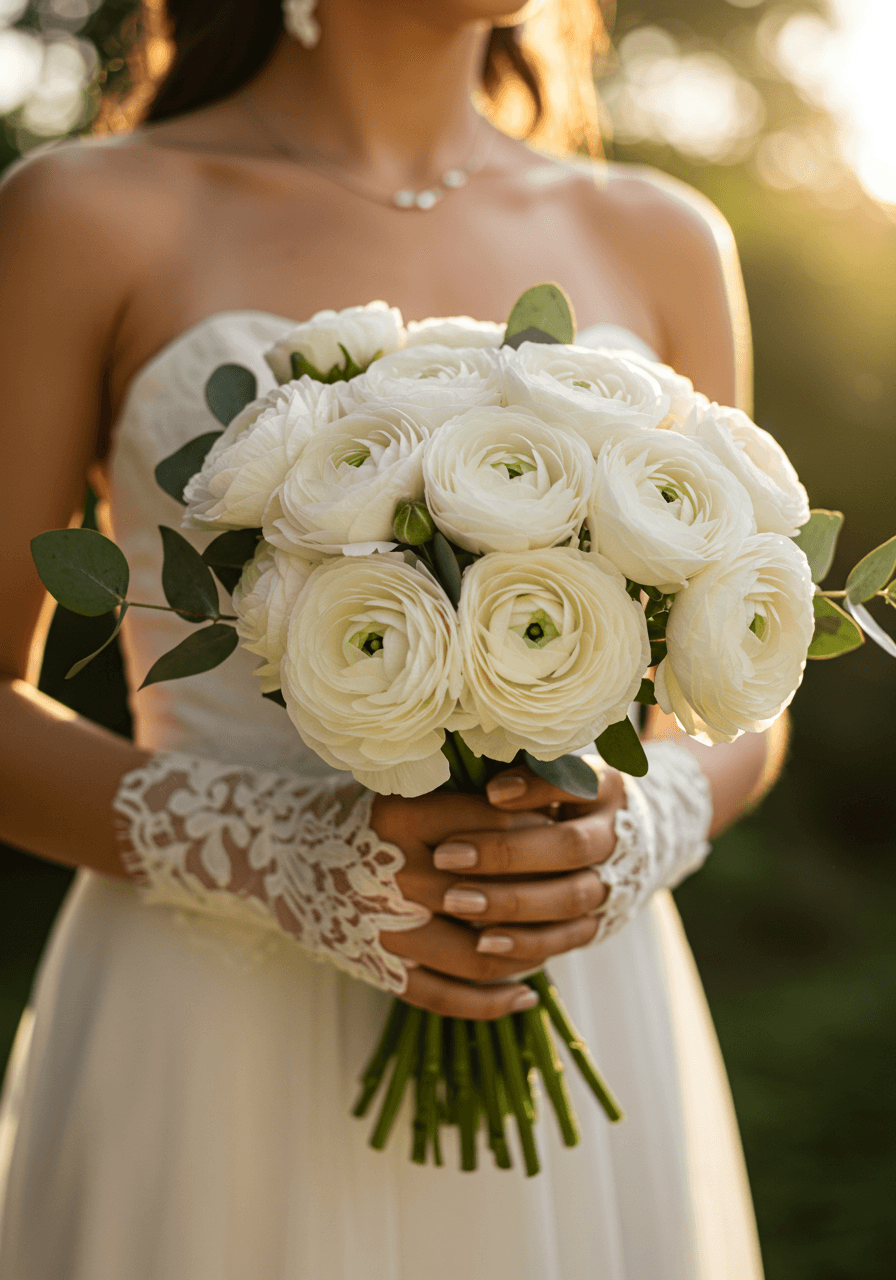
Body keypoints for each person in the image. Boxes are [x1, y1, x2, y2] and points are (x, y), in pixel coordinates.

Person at [0, 1, 778, 1275]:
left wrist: (638, 827)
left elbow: (744, 676)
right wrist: (281, 855)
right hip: (210, 1015)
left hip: (574, 979)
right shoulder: (84, 212)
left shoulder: (661, 233)